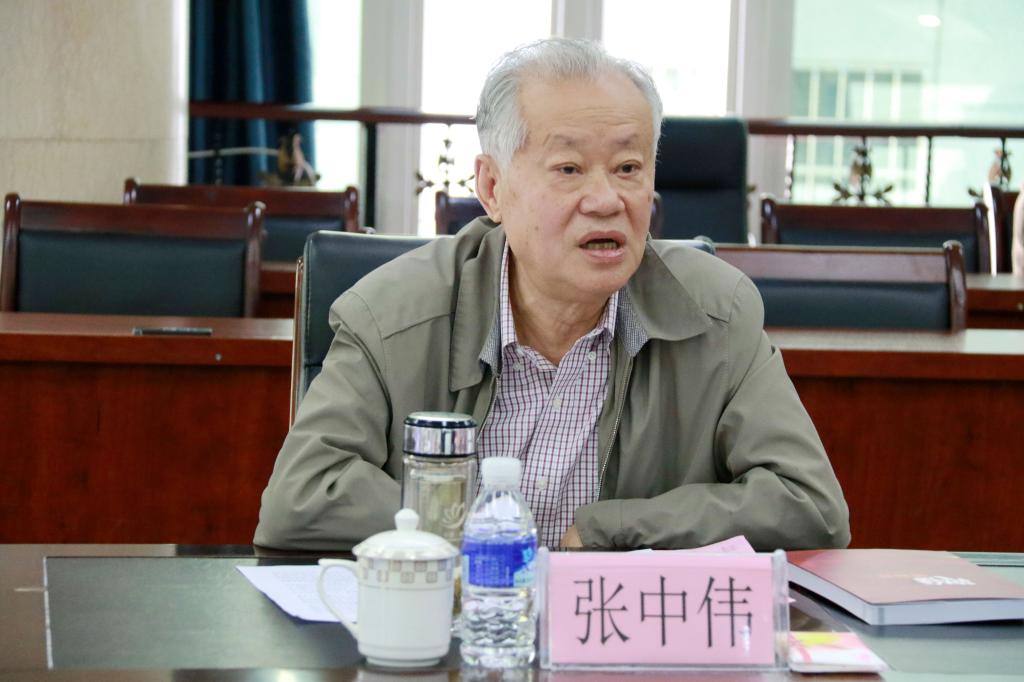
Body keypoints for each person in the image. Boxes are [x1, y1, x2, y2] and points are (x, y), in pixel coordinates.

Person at [255, 38, 850, 551]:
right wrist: (493, 536)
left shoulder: (717, 314)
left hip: (616, 629)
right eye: (569, 169)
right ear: (492, 187)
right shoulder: (390, 312)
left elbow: (810, 506)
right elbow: (303, 496)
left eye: (628, 168)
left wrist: (612, 529)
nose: (606, 200)